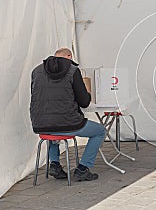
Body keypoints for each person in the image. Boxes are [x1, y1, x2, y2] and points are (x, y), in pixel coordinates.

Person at [30, 48, 106, 181]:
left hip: (41, 124)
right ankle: (83, 168)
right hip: (69, 123)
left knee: (53, 127)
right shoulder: (72, 71)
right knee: (100, 131)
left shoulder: (36, 71)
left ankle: (54, 164)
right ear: (69, 56)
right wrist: (87, 92)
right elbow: (84, 102)